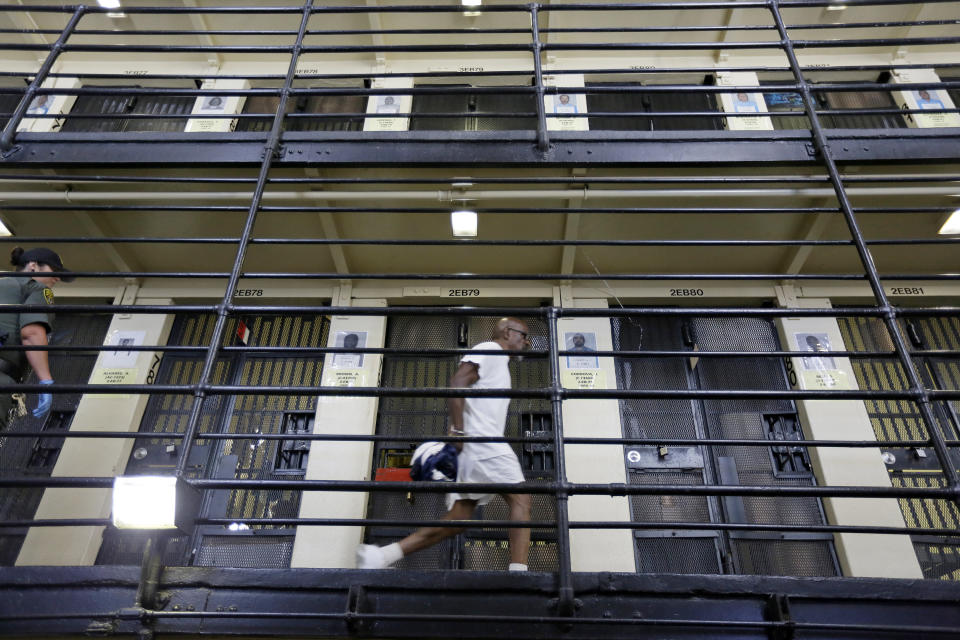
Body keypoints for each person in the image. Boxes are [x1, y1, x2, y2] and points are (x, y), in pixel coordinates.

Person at [357, 317, 532, 571]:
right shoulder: (491, 350)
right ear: (507, 332)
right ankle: (519, 574)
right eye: (523, 335)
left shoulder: (498, 361)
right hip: (483, 443)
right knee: (521, 500)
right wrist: (458, 431)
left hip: (475, 447)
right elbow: (458, 382)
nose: (526, 342)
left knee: (458, 519)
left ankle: (382, 557)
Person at [0, 247, 73, 430]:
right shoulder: (36, 288)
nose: (57, 278)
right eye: (54, 271)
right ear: (33, 266)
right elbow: (31, 333)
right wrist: (45, 381)